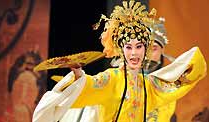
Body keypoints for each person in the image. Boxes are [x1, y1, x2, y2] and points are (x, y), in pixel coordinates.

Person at [32, 1, 207, 122]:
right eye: (128, 47)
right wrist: (78, 74)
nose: (134, 53)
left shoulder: (149, 85)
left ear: (145, 50)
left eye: (139, 47)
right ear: (120, 50)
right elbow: (89, 86)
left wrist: (186, 68)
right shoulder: (112, 79)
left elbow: (181, 78)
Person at [143, 17, 177, 122]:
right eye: (143, 48)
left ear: (162, 50)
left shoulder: (168, 83)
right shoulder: (121, 78)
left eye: (153, 49)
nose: (147, 55)